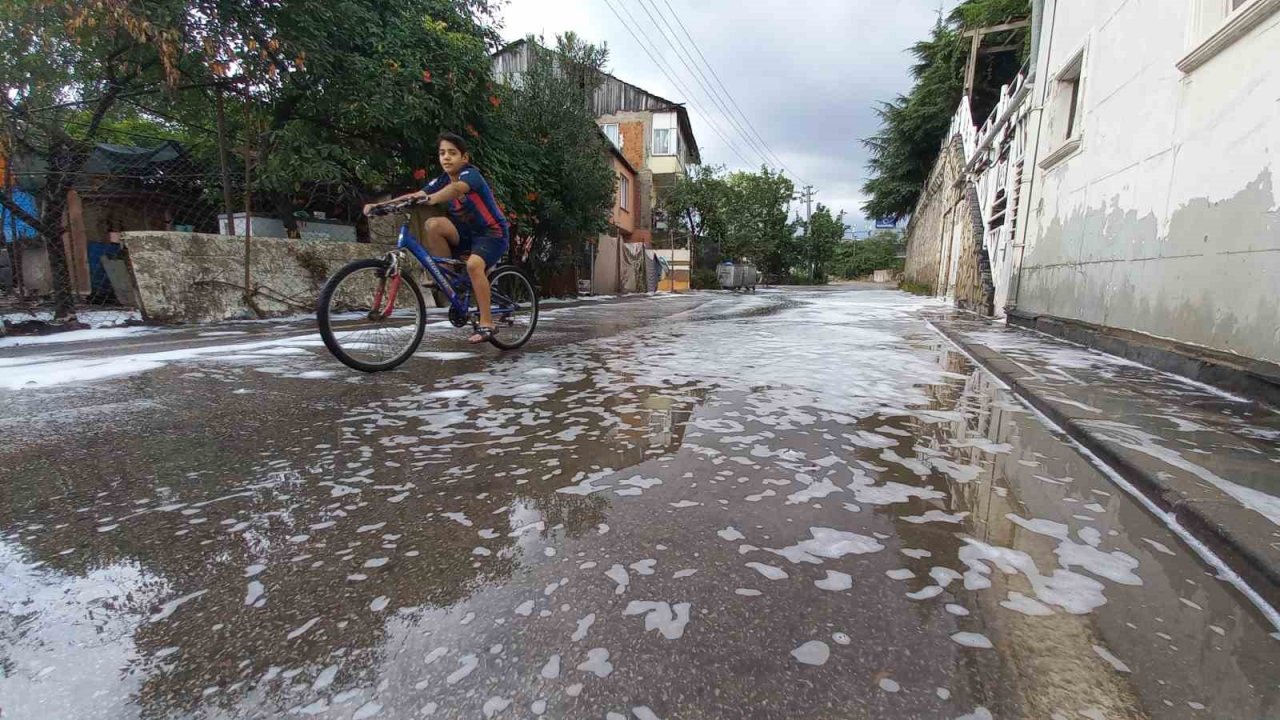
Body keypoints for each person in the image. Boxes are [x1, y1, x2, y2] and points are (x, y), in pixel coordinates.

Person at [364, 132, 510, 344]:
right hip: (465, 233)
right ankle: (449, 283)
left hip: (491, 233)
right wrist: (381, 206)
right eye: (442, 153)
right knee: (433, 224)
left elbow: (455, 190)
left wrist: (431, 199)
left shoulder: (470, 175)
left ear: (464, 158)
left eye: (452, 153)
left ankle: (487, 323)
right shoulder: (441, 180)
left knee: (474, 265)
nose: (446, 157)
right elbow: (417, 195)